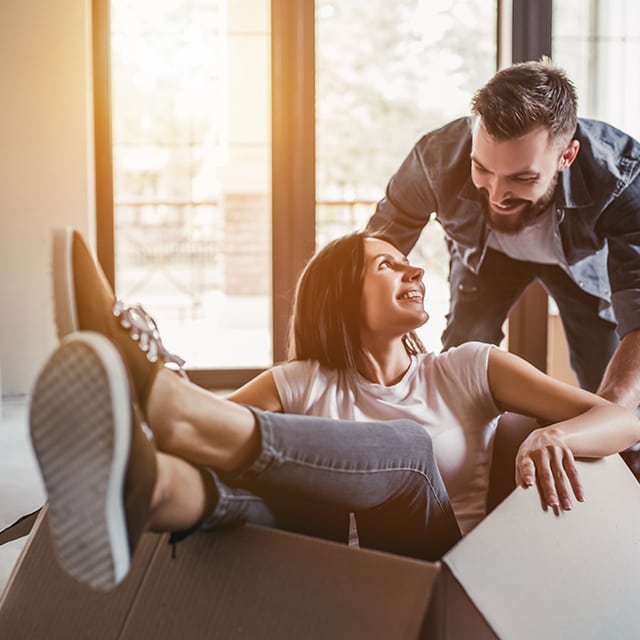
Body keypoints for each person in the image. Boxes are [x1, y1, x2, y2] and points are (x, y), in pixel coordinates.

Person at [30, 228, 640, 591]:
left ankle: (170, 397)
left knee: (409, 451)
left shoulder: (469, 366)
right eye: (386, 263)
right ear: (342, 298)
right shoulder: (298, 382)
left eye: (407, 260)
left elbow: (626, 420)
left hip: (435, 584)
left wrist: (557, 435)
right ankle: (155, 490)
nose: (414, 268)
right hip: (316, 580)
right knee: (254, 488)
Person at [366, 58, 640, 416]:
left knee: (603, 372)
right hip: (487, 255)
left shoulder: (621, 175)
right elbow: (372, 254)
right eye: (481, 169)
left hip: (578, 264)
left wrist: (609, 423)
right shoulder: (435, 159)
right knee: (463, 353)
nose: (496, 194)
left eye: (522, 178)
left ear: (566, 156)